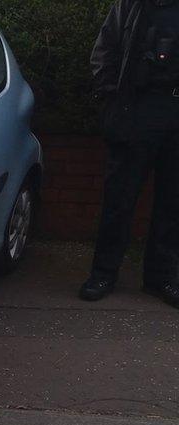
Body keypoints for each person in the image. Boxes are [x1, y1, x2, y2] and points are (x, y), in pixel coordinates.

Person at [83, 0, 179, 308]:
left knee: (172, 203)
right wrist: (109, 95)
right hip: (136, 110)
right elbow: (104, 49)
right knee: (119, 200)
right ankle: (103, 274)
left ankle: (160, 278)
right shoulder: (130, 5)